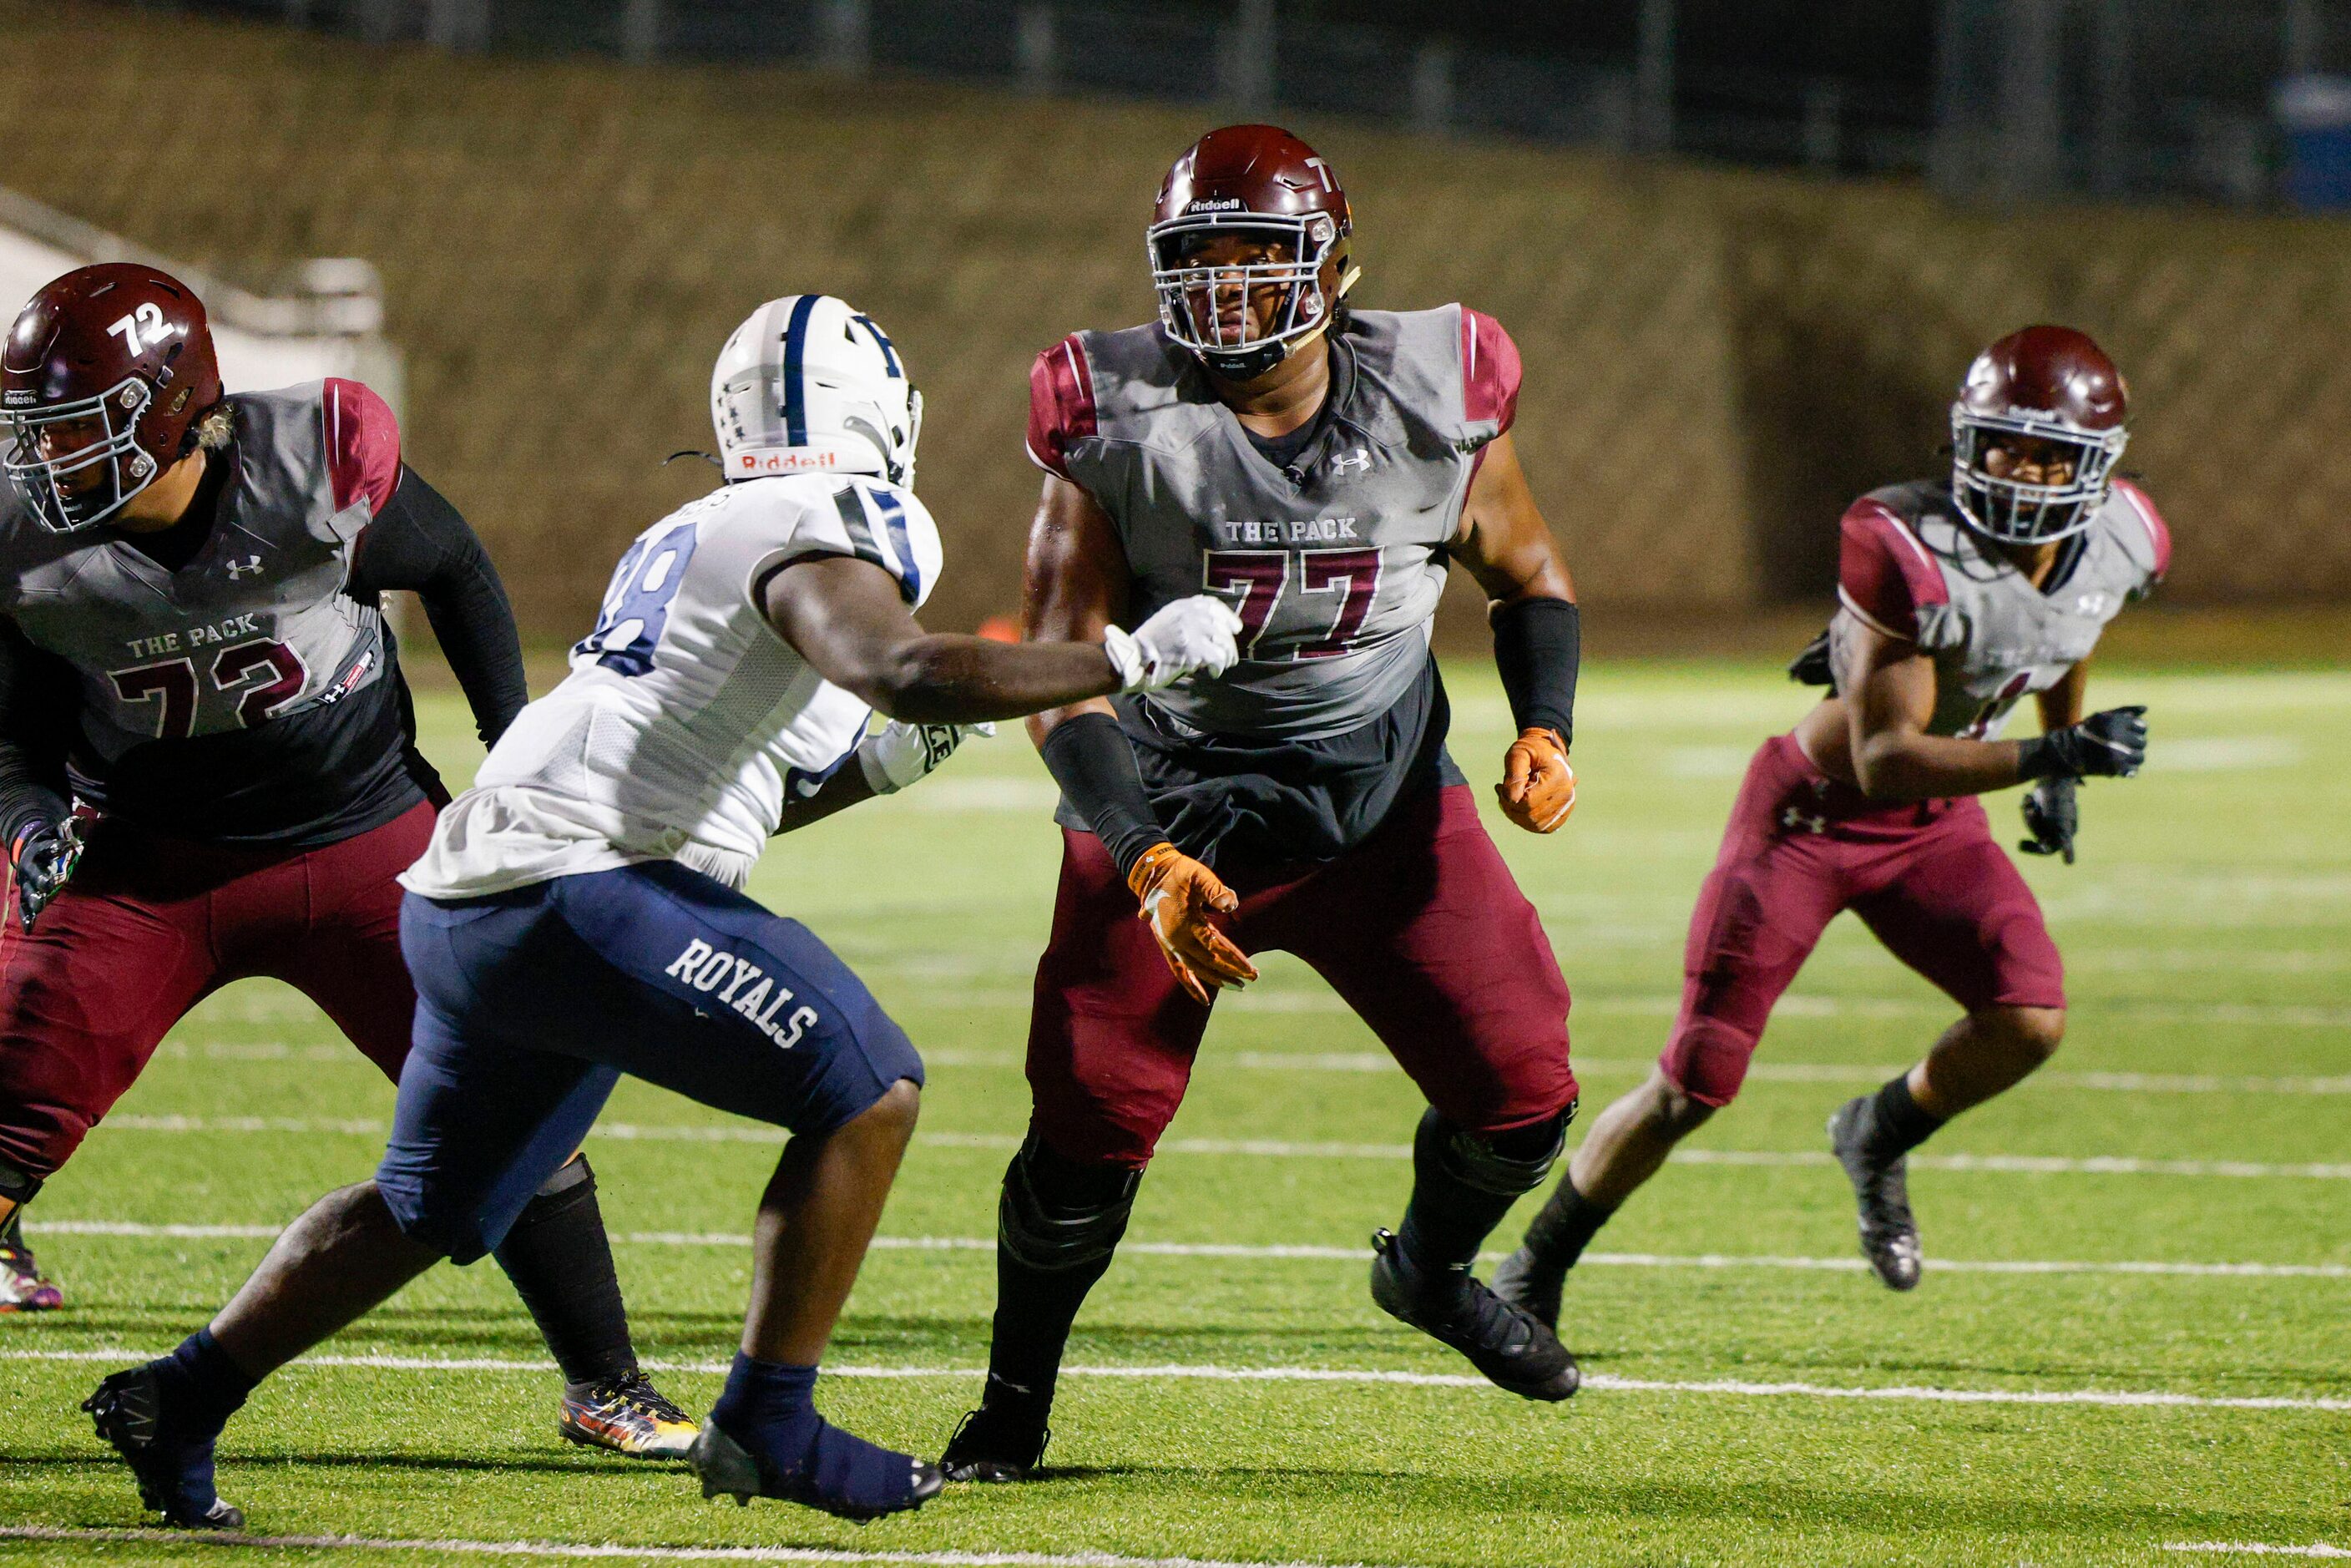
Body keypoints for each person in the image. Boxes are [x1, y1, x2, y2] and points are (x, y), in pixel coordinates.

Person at [82, 293, 1243, 1527]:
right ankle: (769, 1417)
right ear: (881, 417)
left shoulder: (698, 527)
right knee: (869, 1089)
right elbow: (902, 672)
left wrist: (881, 768)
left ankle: (183, 1393)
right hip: (575, 889)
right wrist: (1132, 655)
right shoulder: (833, 515)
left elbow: (744, 788)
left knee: (425, 1203)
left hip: (475, 894)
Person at [940, 124, 1588, 1485]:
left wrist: (1546, 726)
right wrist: (1142, 852)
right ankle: (1013, 1405)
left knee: (1522, 1094)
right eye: (1199, 265)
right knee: (1087, 1128)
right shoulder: (1113, 417)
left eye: (1259, 261)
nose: (1226, 296)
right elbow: (1062, 682)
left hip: (1382, 807)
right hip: (1174, 814)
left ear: (1337, 265)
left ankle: (1429, 1271)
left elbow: (1526, 573)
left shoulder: (1437, 388)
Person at [0, 262, 693, 1456]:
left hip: (359, 831)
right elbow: (14, 730)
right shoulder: (17, 536)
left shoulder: (304, 464)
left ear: (172, 406)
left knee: (513, 1092)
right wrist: (24, 820)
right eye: (35, 435)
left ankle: (608, 1386)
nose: (49, 463)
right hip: (144, 863)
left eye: (77, 431)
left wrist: (513, 756)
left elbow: (457, 566)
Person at [1491, 325, 2166, 1323]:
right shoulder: (1900, 538)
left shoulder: (2122, 537)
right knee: (1696, 1080)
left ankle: (1878, 1133)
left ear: (2093, 467)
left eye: (2044, 455)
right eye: (2000, 448)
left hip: (1935, 824)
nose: (2018, 474)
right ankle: (1533, 1268)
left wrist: (2056, 759)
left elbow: (2065, 630)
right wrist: (2052, 755)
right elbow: (1884, 758)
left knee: (2026, 1019)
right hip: (1811, 817)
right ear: (1962, 443)